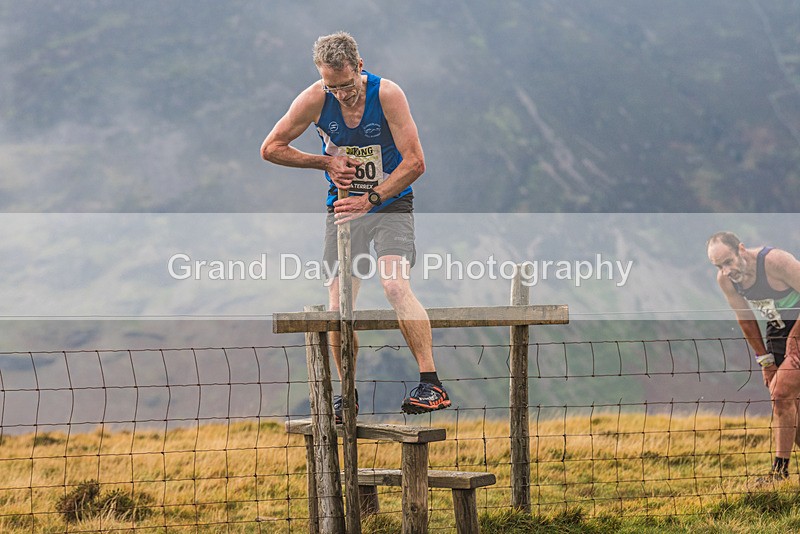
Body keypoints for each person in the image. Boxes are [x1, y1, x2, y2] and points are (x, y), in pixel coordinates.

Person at [261, 31, 450, 422]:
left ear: (359, 67)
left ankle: (431, 383)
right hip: (344, 209)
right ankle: (347, 395)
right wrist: (325, 162)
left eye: (347, 85)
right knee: (338, 303)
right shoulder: (315, 98)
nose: (342, 95)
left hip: (390, 203)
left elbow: (415, 162)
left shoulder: (388, 95)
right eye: (332, 87)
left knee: (394, 285)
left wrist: (372, 199)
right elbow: (271, 148)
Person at [707, 231, 800, 481]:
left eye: (728, 261)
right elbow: (745, 319)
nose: (726, 271)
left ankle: (778, 474)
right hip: (777, 331)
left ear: (741, 249)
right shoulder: (726, 280)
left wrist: (795, 337)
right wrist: (765, 361)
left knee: (781, 393)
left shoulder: (776, 261)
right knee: (786, 405)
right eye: (719, 266)